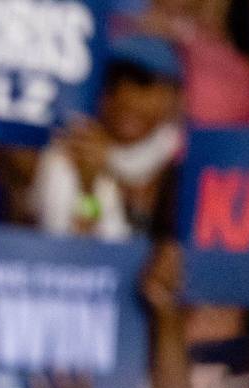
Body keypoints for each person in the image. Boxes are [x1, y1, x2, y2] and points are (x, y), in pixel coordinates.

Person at [32, 38, 185, 240]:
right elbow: (76, 250)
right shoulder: (71, 152)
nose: (127, 99)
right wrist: (88, 190)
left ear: (173, 99)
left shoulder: (183, 158)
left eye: (144, 85)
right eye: (114, 84)